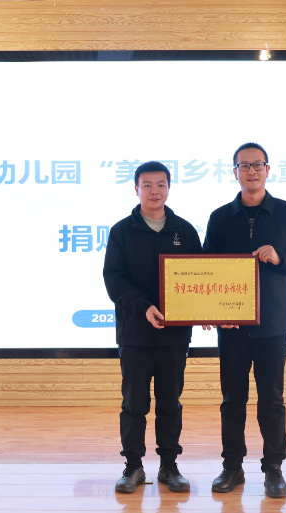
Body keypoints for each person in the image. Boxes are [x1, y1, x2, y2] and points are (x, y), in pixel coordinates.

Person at [203, 143, 286, 498]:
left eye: (257, 165)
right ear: (234, 172)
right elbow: (205, 268)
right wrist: (212, 311)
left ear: (268, 170)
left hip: (273, 324)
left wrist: (280, 258)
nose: (251, 171)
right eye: (244, 166)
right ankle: (232, 467)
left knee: (271, 399)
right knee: (232, 400)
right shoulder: (220, 217)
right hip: (232, 326)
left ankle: (273, 470)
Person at [103, 161, 201, 493]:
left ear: (169, 188)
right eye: (147, 185)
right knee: (134, 404)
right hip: (135, 334)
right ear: (136, 189)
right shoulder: (121, 231)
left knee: (170, 402)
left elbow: (201, 275)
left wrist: (207, 309)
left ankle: (169, 466)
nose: (154, 191)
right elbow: (114, 280)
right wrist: (144, 306)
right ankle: (133, 466)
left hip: (174, 335)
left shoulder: (185, 231)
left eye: (161, 184)